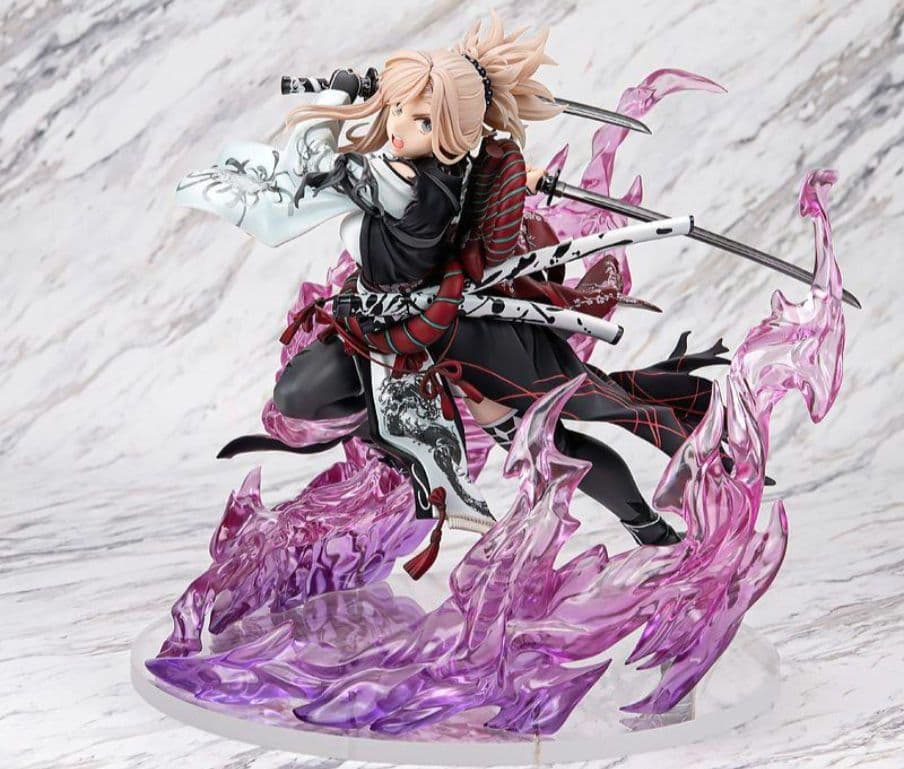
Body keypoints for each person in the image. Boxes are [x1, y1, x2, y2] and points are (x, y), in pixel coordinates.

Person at [176, 11, 727, 552]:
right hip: (383, 318)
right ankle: (404, 449)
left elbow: (308, 161)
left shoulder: (402, 183)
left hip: (449, 331)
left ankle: (650, 527)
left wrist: (342, 93)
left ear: (452, 131)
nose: (397, 128)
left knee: (549, 444)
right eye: (396, 109)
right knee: (303, 393)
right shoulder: (442, 163)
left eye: (419, 120)